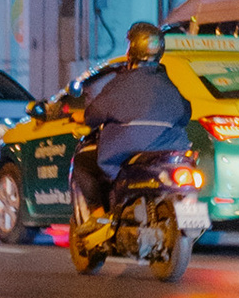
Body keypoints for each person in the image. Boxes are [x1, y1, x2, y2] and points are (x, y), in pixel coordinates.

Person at [69, 21, 194, 250]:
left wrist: (81, 116)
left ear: (132, 50)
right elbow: (185, 113)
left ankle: (98, 216)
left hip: (127, 150)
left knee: (84, 161)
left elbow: (95, 114)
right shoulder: (167, 82)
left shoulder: (122, 82)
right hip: (169, 151)